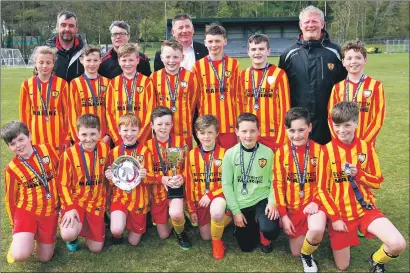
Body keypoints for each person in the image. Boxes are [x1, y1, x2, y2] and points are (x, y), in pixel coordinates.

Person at [317, 101, 406, 272]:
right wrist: (334, 219)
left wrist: (359, 174)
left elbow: (378, 181)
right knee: (342, 266)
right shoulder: (326, 151)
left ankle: (376, 259)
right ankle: (335, 234)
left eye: (347, 125)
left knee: (397, 244)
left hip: (364, 208)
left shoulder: (366, 147)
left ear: (356, 123)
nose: (342, 130)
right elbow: (322, 189)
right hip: (341, 214)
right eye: (337, 125)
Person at [279, 5, 347, 145]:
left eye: (315, 21)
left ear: (322, 24)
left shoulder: (336, 52)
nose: (311, 25)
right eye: (307, 22)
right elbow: (281, 89)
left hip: (328, 122)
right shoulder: (288, 54)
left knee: (326, 163)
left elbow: (345, 85)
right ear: (300, 25)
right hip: (299, 124)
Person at [273, 107, 326, 273]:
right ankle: (305, 247)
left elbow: (325, 183)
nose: (297, 135)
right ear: (286, 130)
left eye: (301, 130)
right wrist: (284, 215)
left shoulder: (321, 151)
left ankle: (308, 255)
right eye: (292, 130)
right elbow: (278, 185)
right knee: (295, 252)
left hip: (313, 206)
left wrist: (316, 201)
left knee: (316, 230)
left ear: (310, 127)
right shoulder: (281, 153)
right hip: (293, 209)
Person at [222, 113, 280, 253]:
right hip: (242, 202)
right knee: (246, 247)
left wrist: (272, 202)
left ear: (258, 131)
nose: (248, 135)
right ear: (237, 132)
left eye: (252, 131)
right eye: (244, 131)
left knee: (270, 230)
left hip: (261, 199)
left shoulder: (268, 153)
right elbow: (226, 184)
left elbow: (274, 180)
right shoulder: (230, 154)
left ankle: (264, 234)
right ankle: (254, 225)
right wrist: (235, 212)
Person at [2, 121, 59, 263]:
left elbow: (60, 173)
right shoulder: (11, 168)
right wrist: (13, 224)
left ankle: (38, 236)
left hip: (49, 212)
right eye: (13, 143)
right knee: (20, 255)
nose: (18, 145)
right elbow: (10, 199)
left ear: (30, 136)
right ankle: (19, 240)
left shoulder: (47, 150)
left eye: (21, 139)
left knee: (44, 258)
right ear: (9, 147)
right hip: (27, 212)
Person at [154, 13, 208, 147]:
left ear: (193, 29)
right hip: (168, 111)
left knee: (200, 145)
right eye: (180, 27)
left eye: (187, 26)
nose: (184, 30)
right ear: (173, 31)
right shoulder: (161, 54)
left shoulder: (204, 50)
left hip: (194, 109)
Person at [58, 114, 110, 253]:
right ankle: (73, 237)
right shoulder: (68, 154)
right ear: (77, 134)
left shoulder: (105, 149)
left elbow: (108, 173)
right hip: (77, 202)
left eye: (93, 134)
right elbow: (62, 184)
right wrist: (69, 207)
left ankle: (88, 229)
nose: (89, 139)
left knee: (96, 248)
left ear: (99, 133)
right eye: (84, 134)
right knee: (68, 233)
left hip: (97, 202)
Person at [145, 106, 192, 249]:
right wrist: (161, 179)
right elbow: (143, 174)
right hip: (158, 193)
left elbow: (190, 166)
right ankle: (178, 220)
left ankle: (181, 231)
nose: (163, 128)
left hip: (176, 189)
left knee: (176, 213)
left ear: (172, 124)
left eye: (167, 124)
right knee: (163, 235)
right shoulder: (146, 146)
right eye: (159, 124)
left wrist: (183, 177)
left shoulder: (181, 142)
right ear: (152, 125)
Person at [104, 113, 154, 246]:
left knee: (133, 242)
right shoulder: (113, 153)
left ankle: (133, 225)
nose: (129, 134)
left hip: (139, 201)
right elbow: (112, 179)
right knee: (116, 229)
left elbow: (153, 177)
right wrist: (109, 177)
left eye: (134, 130)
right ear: (119, 131)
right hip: (120, 198)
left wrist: (146, 175)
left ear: (139, 130)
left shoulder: (146, 152)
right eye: (125, 130)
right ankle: (118, 233)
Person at [238, 34, 290, 151]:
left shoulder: (279, 74)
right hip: (249, 135)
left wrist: (282, 139)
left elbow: (285, 108)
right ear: (248, 52)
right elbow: (240, 106)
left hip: (272, 134)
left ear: (268, 51)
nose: (257, 52)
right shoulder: (242, 75)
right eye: (254, 49)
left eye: (261, 49)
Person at [328, 40, 385, 146]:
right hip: (342, 145)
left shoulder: (376, 86)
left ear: (365, 60)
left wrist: (363, 143)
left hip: (365, 145)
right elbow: (331, 117)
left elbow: (378, 119)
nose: (353, 61)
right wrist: (339, 140)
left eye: (358, 58)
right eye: (349, 58)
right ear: (343, 62)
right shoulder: (337, 88)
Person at [185, 115, 227, 260]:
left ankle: (218, 242)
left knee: (216, 211)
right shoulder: (191, 155)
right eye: (202, 133)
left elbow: (228, 183)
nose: (206, 136)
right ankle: (223, 221)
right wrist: (191, 209)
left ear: (217, 133)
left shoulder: (225, 154)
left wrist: (211, 195)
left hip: (218, 197)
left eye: (210, 132)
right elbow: (189, 183)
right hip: (200, 201)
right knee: (205, 236)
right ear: (197, 134)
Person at [194, 22, 240, 150]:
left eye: (217, 41)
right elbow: (197, 98)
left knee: (229, 160)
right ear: (205, 42)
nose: (214, 45)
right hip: (207, 126)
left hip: (229, 124)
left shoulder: (234, 64)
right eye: (210, 41)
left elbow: (237, 96)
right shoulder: (197, 66)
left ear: (225, 41)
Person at [19, 46, 69, 154]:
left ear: (53, 64)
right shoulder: (27, 85)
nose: (44, 66)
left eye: (48, 62)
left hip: (57, 136)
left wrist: (67, 137)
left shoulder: (62, 84)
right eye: (41, 62)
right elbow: (24, 114)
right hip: (35, 136)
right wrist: (25, 136)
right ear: (35, 63)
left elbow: (67, 114)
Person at [150, 40, 198, 149]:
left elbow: (192, 104)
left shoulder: (191, 77)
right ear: (162, 58)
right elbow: (153, 105)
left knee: (184, 161)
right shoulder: (153, 78)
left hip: (184, 129)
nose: (171, 61)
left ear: (182, 58)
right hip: (162, 130)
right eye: (168, 57)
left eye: (176, 57)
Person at [105, 43, 154, 145]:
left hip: (143, 140)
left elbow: (151, 112)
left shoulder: (147, 82)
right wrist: (117, 138)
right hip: (120, 140)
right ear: (119, 61)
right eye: (124, 60)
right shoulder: (113, 83)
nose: (128, 64)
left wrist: (140, 138)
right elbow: (110, 113)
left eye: (131, 60)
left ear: (137, 60)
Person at [68, 45, 111, 145]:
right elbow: (72, 112)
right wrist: (77, 137)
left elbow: (110, 111)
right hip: (83, 138)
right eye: (88, 60)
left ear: (100, 60)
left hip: (103, 137)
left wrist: (109, 134)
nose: (92, 64)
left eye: (95, 60)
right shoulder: (75, 83)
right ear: (81, 60)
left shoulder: (107, 82)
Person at [45, 11, 85, 83]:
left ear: (76, 29)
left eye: (71, 26)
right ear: (57, 27)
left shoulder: (85, 52)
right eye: (63, 25)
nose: (67, 29)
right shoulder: (47, 52)